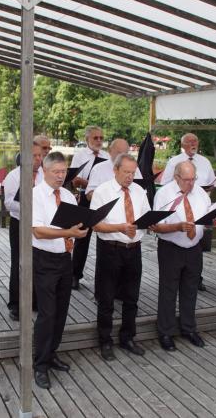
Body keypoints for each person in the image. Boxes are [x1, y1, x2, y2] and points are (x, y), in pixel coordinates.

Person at [31, 152, 88, 389]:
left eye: (64, 172)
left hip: (65, 258)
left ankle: (52, 353)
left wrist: (82, 225)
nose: (61, 176)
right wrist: (69, 233)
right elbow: (38, 231)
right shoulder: (35, 195)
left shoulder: (67, 195)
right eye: (56, 172)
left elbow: (73, 224)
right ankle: (40, 364)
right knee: (47, 313)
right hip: (44, 259)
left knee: (62, 310)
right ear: (44, 171)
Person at [91, 153, 150, 361]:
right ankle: (105, 340)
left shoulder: (139, 191)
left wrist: (144, 226)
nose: (130, 177)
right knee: (106, 298)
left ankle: (127, 337)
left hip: (134, 248)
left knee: (132, 297)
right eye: (126, 172)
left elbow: (145, 217)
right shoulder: (102, 191)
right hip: (110, 248)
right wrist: (121, 227)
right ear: (115, 170)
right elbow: (95, 224)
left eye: (133, 173)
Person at [150, 161, 211, 351]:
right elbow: (155, 226)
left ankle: (188, 328)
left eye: (193, 179)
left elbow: (207, 217)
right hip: (171, 247)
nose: (190, 184)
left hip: (194, 248)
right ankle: (166, 332)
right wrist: (177, 226)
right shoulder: (164, 194)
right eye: (186, 180)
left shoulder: (200, 192)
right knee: (168, 291)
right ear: (176, 177)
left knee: (191, 289)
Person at [160, 132, 216, 292]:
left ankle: (197, 279)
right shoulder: (174, 161)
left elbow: (212, 184)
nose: (194, 144)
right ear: (183, 144)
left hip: (199, 202)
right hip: (177, 210)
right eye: (190, 141)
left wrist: (206, 190)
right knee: (169, 287)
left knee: (197, 252)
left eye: (196, 141)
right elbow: (164, 184)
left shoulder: (205, 161)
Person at [3, 141, 45, 321]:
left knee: (38, 260)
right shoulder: (14, 176)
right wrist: (29, 205)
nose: (38, 159)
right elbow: (8, 203)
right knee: (19, 263)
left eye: (40, 156)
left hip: (40, 224)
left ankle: (35, 300)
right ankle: (16, 305)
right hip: (20, 223)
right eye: (34, 156)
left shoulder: (45, 174)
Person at [69, 126, 111, 289]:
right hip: (86, 198)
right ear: (87, 139)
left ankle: (107, 278)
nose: (99, 141)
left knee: (108, 236)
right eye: (96, 138)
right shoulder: (80, 156)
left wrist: (99, 186)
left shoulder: (107, 156)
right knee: (82, 238)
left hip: (103, 199)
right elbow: (74, 180)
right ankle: (75, 275)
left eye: (101, 138)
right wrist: (93, 183)